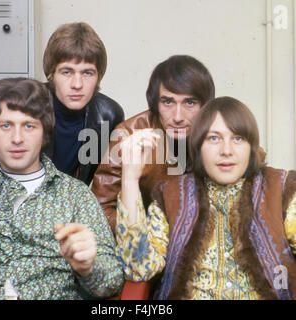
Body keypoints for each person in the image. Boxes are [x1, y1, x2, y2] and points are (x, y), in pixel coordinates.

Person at [115, 96, 296, 300]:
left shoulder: (281, 188)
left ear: (251, 146)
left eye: (238, 139)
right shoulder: (170, 195)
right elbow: (138, 268)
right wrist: (130, 179)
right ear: (198, 146)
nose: (226, 151)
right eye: (214, 138)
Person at [0, 78, 123, 300]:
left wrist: (88, 266)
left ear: (45, 132)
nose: (17, 138)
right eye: (6, 125)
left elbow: (111, 283)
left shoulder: (75, 196)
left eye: (29, 126)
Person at [0, 22, 124, 186]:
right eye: (67, 72)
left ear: (98, 76)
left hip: (72, 205)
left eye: (87, 73)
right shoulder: (19, 107)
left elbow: (109, 182)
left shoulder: (108, 115)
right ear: (52, 74)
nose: (77, 84)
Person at [91, 55, 215, 231]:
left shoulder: (217, 129)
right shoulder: (128, 134)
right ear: (155, 103)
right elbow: (100, 210)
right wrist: (151, 235)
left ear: (204, 105)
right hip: (144, 244)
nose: (178, 117)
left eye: (189, 102)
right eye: (168, 102)